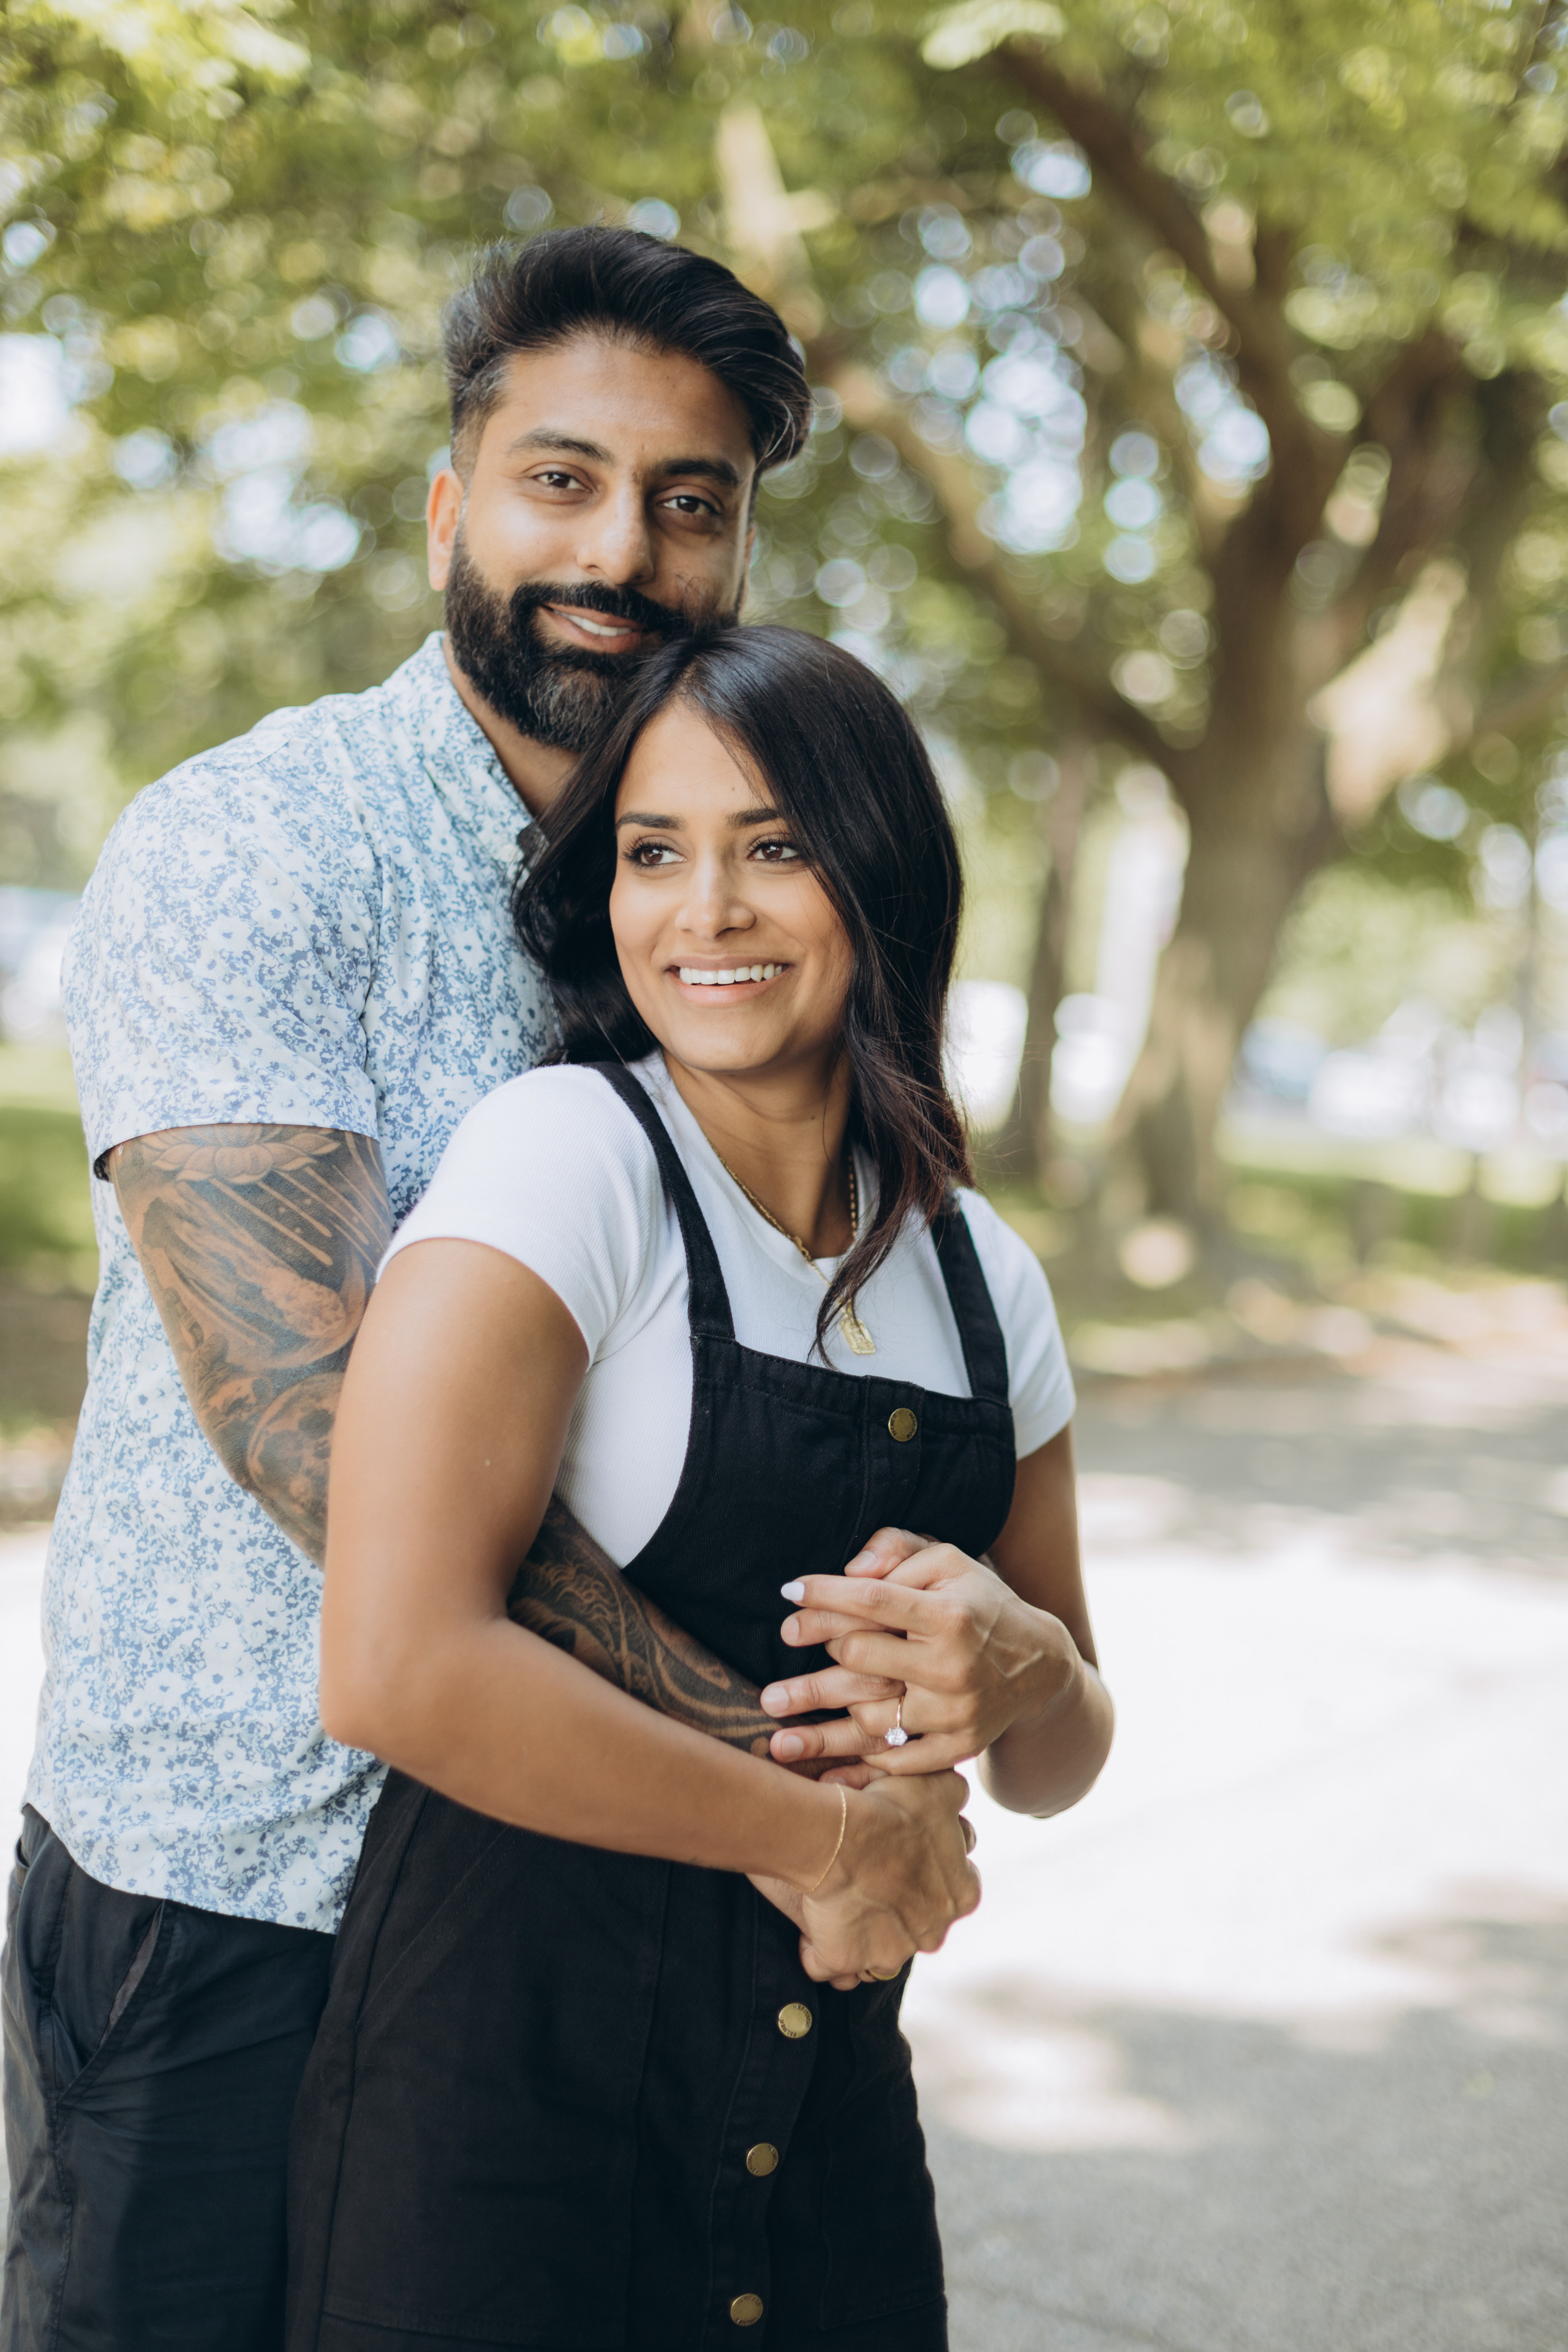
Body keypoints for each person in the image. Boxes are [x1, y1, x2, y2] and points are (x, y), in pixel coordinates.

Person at [2, 228, 866, 2350]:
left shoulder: (720, 906)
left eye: (693, 502)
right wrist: (771, 1771)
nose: (624, 553)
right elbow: (309, 1412)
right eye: (561, 480)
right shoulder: (260, 840)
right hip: (241, 1890)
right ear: (448, 506)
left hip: (583, 1895)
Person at [284, 625, 1114, 2352]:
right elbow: (394, 1662)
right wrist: (833, 1838)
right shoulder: (569, 1157)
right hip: (504, 2110)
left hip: (822, 2120)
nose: (703, 912)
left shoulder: (985, 1278)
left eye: (773, 848)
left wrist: (1024, 1660)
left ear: (877, 874)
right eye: (653, 853)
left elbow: (1053, 1762)